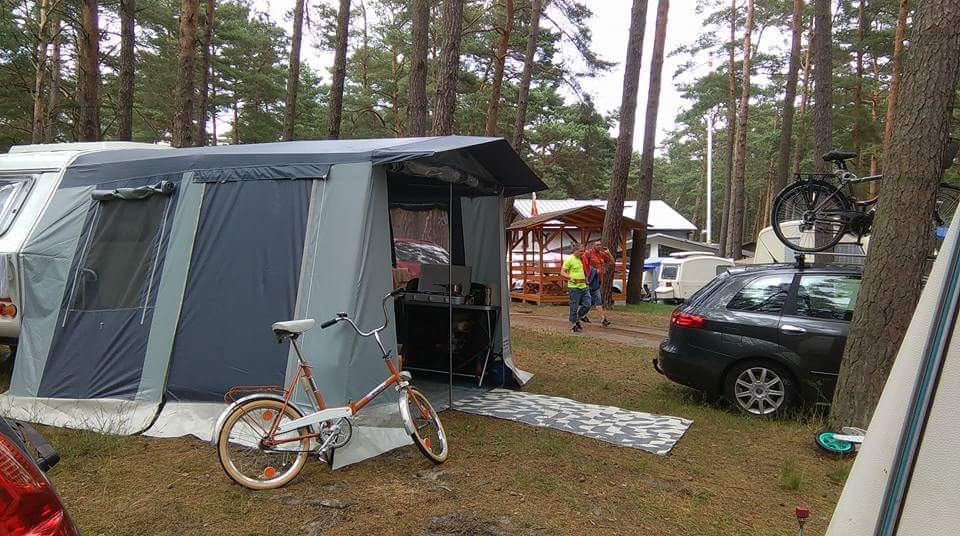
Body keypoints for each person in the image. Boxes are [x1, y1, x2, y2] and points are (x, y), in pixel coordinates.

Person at [580, 240, 615, 327]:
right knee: (589, 301)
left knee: (596, 300)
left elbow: (612, 262)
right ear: (593, 246)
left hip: (598, 280)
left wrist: (609, 253)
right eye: (597, 245)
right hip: (589, 281)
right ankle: (580, 316)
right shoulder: (588, 253)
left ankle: (602, 319)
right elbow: (584, 265)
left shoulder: (602, 254)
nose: (599, 246)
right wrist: (593, 272)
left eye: (600, 245)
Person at [560, 245, 590, 333]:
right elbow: (562, 272)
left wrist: (586, 279)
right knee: (574, 306)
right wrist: (570, 277)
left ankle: (577, 317)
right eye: (581, 251)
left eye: (583, 251)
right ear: (575, 250)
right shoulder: (569, 260)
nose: (582, 253)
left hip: (583, 286)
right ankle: (573, 325)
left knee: (587, 304)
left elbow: (585, 270)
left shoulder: (582, 259)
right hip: (574, 288)